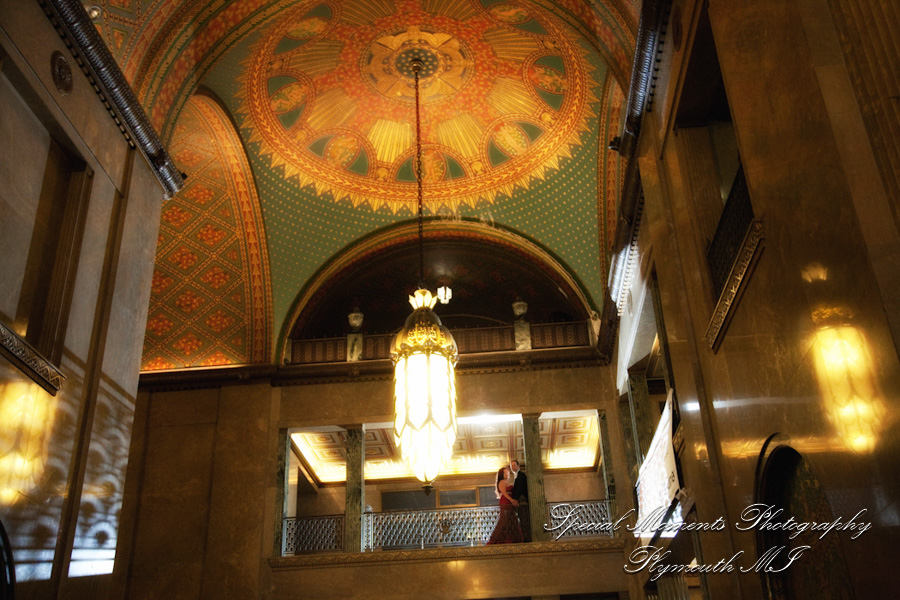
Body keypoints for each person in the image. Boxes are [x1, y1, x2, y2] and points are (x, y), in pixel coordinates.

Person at [486, 466, 523, 544]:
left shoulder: (507, 482)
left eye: (507, 472)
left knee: (510, 519)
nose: (506, 474)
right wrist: (512, 500)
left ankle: (512, 539)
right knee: (505, 519)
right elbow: (504, 493)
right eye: (504, 473)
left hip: (509, 501)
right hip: (506, 501)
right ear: (501, 474)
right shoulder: (502, 482)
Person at [510, 459, 531, 541]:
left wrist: (515, 499)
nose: (513, 467)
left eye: (514, 465)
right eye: (512, 466)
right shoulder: (517, 476)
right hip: (520, 502)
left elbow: (520, 489)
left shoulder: (521, 475)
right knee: (521, 520)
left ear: (518, 466)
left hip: (522, 502)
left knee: (524, 519)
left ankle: (526, 538)